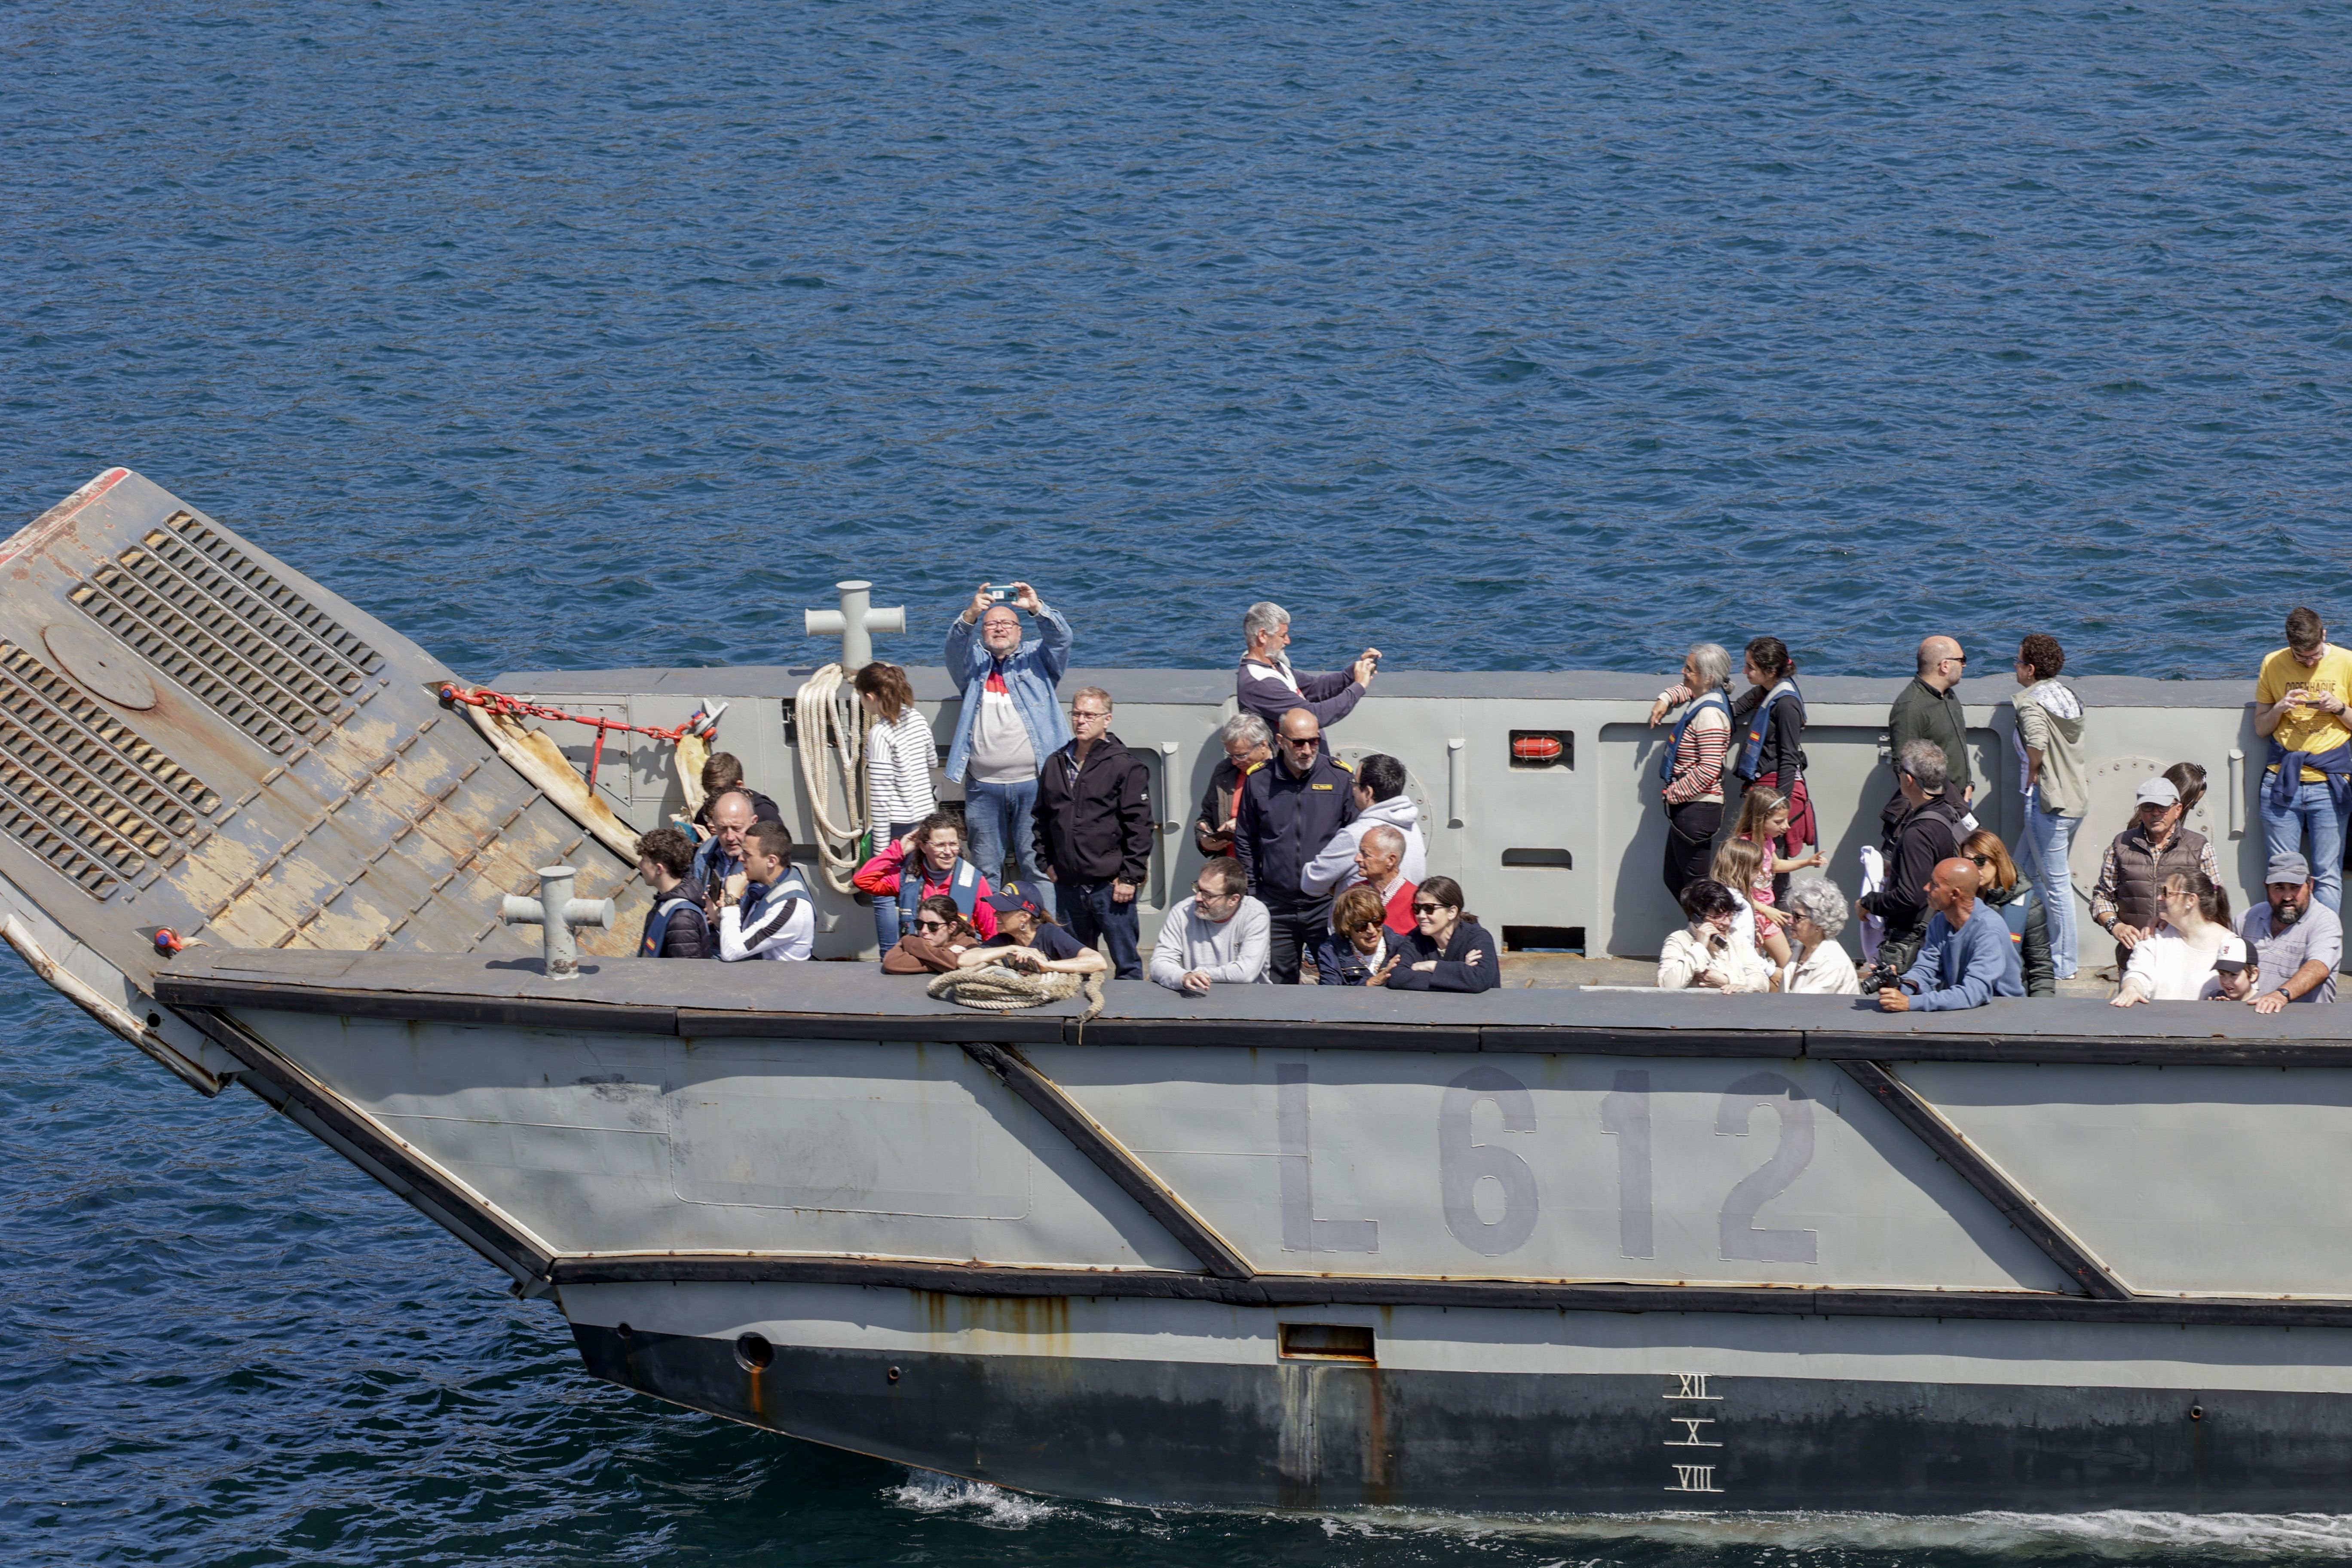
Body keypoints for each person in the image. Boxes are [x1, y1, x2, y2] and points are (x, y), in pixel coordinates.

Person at [943, 579, 1071, 916]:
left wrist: (1036, 608)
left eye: (1007, 623)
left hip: (1036, 785)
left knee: (1038, 866)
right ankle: (988, 935)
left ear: (1019, 630)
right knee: (985, 868)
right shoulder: (973, 667)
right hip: (984, 788)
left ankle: (1047, 935)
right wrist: (971, 614)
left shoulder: (1038, 661)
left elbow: (1062, 639)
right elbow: (954, 649)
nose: (999, 629)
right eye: (991, 624)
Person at [1030, 686, 1153, 979]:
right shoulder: (1056, 763)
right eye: (1076, 714)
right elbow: (1042, 817)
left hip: (1110, 888)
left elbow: (1139, 826)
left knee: (1126, 963)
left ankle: (1128, 1016)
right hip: (1068, 884)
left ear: (1107, 720)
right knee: (1074, 964)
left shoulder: (1125, 766)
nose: (1081, 721)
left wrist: (1129, 877)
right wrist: (1046, 862)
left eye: (1089, 715)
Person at [1233, 707, 1358, 983]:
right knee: (1278, 982)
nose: (1306, 750)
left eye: (1313, 741)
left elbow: (1354, 840)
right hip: (1276, 905)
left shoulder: (1340, 778)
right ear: (1280, 741)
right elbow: (1246, 840)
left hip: (1326, 905)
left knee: (1337, 978)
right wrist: (1252, 893)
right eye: (1298, 743)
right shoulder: (1259, 780)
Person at [2255, 606, 2352, 914]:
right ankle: (2286, 950)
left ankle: (2324, 956)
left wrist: (2339, 708)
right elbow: (2261, 727)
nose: (2310, 663)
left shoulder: (2347, 662)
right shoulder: (2273, 663)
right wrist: (2280, 708)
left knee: (2327, 874)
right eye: (2301, 658)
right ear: (2289, 646)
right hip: (2282, 781)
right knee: (2283, 874)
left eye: (2315, 656)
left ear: (2325, 636)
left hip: (2330, 784)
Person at [2010, 633, 2088, 981]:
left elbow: (2037, 742)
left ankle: (2063, 963)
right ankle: (2019, 946)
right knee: (2017, 874)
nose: (2015, 667)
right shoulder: (2068, 696)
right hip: (2073, 801)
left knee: (2055, 888)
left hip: (2047, 804)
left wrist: (2034, 774)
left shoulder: (2031, 703)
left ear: (2030, 669)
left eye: (2017, 661)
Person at [2090, 773, 2220, 973]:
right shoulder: (2120, 847)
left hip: (2185, 961)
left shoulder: (2200, 848)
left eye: (2163, 807)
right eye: (2148, 807)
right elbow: (2101, 897)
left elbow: (2215, 901)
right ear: (2140, 811)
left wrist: (2178, 921)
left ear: (2178, 810)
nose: (2155, 813)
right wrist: (2116, 926)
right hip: (2134, 959)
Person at [853, 662, 939, 953]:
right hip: (926, 823)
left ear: (872, 697)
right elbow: (930, 762)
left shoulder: (880, 735)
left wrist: (879, 854)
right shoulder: (917, 719)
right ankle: (918, 949)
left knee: (883, 893)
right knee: (916, 890)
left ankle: (891, 953)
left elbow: (880, 799)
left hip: (897, 829)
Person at [1863, 741, 1964, 977]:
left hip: (1915, 943)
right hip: (1942, 933)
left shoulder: (1918, 832)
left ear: (1908, 780)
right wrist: (1898, 866)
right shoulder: (1951, 814)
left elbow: (1910, 897)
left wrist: (1869, 902)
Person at [1727, 637, 1814, 901]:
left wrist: (1778, 810)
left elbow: (1789, 758)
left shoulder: (1786, 705)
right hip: (1761, 792)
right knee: (1757, 873)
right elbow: (1734, 710)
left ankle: (1781, 936)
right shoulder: (1766, 691)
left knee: (1774, 878)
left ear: (1771, 671)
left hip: (1774, 797)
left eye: (1750, 667)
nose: (1745, 672)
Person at [1876, 858, 2024, 1012]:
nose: (1926, 888)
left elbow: (1974, 993)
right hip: (1969, 1011)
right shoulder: (1940, 921)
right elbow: (1926, 969)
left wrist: (1911, 1003)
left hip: (2006, 1017)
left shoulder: (1989, 931)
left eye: (1935, 884)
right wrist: (1900, 988)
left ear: (1954, 894)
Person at [1648, 642, 1734, 900]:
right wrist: (1665, 699)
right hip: (1690, 808)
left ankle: (1716, 937)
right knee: (1675, 879)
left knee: (1699, 891)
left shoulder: (1709, 715)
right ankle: (1704, 935)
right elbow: (1687, 690)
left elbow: (1709, 769)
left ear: (1708, 677)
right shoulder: (1710, 694)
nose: (1683, 671)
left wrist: (1674, 794)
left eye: (1689, 669)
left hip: (1696, 809)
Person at [851, 812, 999, 942]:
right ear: (923, 847)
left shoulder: (976, 882)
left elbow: (992, 933)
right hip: (918, 955)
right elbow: (863, 880)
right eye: (940, 845)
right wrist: (898, 852)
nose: (948, 852)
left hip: (956, 960)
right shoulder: (907, 878)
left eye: (953, 844)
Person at [1235, 602, 1380, 732]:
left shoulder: (1274, 667)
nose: (1288, 641)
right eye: (1283, 635)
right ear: (1263, 635)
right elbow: (1315, 715)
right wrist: (1359, 686)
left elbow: (1316, 687)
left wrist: (1355, 671)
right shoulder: (1260, 683)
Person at [1300, 753, 1427, 897]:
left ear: (1368, 792)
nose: (1353, 790)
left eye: (1355, 784)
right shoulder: (1413, 827)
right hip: (1404, 916)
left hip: (1365, 918)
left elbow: (1311, 882)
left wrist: (1338, 891)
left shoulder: (1356, 834)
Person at [2113, 871, 2247, 1005]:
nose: (2159, 898)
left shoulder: (2230, 944)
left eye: (2166, 892)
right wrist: (2131, 989)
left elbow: (2244, 991)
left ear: (2191, 900)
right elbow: (2138, 974)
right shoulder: (2155, 935)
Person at [2239, 851, 2341, 1011]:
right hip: (2249, 1019)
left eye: (2295, 887)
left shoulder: (2325, 921)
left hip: (2305, 1027)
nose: (2287, 897)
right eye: (2279, 888)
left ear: (2311, 886)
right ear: (2266, 887)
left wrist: (2281, 995)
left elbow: (2319, 968)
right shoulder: (2247, 918)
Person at [1151, 857, 1271, 992]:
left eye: (1208, 895)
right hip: (1200, 998)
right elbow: (1159, 963)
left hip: (1248, 1000)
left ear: (1233, 900)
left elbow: (1246, 972)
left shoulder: (1255, 914)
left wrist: (1199, 973)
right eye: (1198, 888)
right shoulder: (1182, 912)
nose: (1198, 898)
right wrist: (1184, 977)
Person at [1964, 829, 2055, 998]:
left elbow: (2041, 969)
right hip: (1968, 998)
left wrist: (2041, 1014)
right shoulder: (1960, 903)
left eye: (1980, 861)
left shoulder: (2030, 907)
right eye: (1967, 861)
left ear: (1997, 860)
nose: (1973, 868)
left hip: (2011, 1003)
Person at [1888, 634, 1974, 810]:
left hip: (1961, 799)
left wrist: (1969, 785)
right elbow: (1904, 769)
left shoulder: (1948, 695)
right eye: (1962, 660)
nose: (1964, 666)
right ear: (1945, 666)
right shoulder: (1911, 707)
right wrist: (1933, 804)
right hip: (1938, 806)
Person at [1730, 786, 1820, 950]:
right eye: (1779, 822)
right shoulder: (1743, 847)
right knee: (1755, 966)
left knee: (1787, 965)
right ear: (1760, 819)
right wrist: (1764, 910)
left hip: (1768, 913)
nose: (1787, 826)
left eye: (1786, 820)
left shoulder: (1767, 841)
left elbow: (1776, 865)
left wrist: (1807, 862)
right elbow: (1737, 890)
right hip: (1749, 914)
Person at [1375, 876, 1500, 992]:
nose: (1421, 916)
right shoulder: (1415, 938)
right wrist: (1460, 975)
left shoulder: (1478, 938)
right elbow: (1397, 977)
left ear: (1452, 912)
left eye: (1429, 909)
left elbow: (1479, 980)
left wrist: (1432, 966)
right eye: (1417, 909)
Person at [715, 818, 815, 962]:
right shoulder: (764, 884)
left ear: (771, 861)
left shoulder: (791, 908)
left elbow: (731, 952)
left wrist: (732, 900)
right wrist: (719, 917)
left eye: (747, 854)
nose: (740, 858)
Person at [959, 885, 1109, 978]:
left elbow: (1098, 962)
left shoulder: (1050, 934)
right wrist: (1013, 949)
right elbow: (964, 961)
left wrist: (1047, 966)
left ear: (1025, 916)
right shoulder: (1005, 940)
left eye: (1003, 911)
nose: (995, 915)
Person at [1658, 879, 1773, 992]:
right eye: (1718, 917)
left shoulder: (1736, 935)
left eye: (1729, 914)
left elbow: (1762, 981)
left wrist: (1728, 982)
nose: (1727, 922)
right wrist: (1700, 947)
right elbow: (1667, 986)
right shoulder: (1678, 940)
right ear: (1696, 918)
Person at [1195, 712, 1274, 858]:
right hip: (1229, 868)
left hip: (1268, 868)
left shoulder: (1285, 772)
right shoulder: (1225, 771)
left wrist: (1245, 825)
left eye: (1241, 755)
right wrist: (1204, 841)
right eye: (1231, 755)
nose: (1235, 762)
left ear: (1263, 745)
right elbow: (1207, 816)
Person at [633, 827, 712, 958]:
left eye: (644, 860)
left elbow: (686, 974)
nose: (640, 864)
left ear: (659, 869)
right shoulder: (667, 900)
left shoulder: (683, 919)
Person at [1711, 835, 1789, 968]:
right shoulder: (1739, 905)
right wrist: (1770, 970)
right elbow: (1738, 948)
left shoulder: (1719, 895)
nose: (1761, 874)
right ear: (1741, 870)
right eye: (1755, 870)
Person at [1774, 879, 1860, 995]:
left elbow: (1805, 1007)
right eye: (1792, 914)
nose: (1790, 921)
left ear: (1819, 923)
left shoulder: (1832, 964)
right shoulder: (1800, 951)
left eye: (1797, 917)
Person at [880, 894, 986, 974]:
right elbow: (891, 962)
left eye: (933, 926)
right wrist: (944, 957)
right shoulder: (915, 940)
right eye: (920, 924)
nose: (924, 931)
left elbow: (955, 963)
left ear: (952, 927)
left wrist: (909, 943)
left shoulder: (969, 945)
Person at [1340, 824, 1416, 936]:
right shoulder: (1353, 894)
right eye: (1360, 852)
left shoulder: (1417, 900)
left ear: (1391, 860)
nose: (1357, 859)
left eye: (1366, 855)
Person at [1314, 884, 1396, 986]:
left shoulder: (1400, 946)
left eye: (1377, 922)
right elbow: (1330, 994)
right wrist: (1368, 985)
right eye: (1362, 926)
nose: (1372, 930)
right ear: (1347, 928)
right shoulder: (1331, 951)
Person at [689, 789, 757, 907]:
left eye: (737, 828)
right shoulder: (705, 851)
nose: (730, 837)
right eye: (722, 828)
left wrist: (722, 916)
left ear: (754, 822)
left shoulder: (764, 860)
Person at [691, 753, 781, 831]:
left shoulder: (765, 814)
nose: (715, 802)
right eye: (711, 795)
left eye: (721, 796)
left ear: (740, 786)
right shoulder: (705, 815)